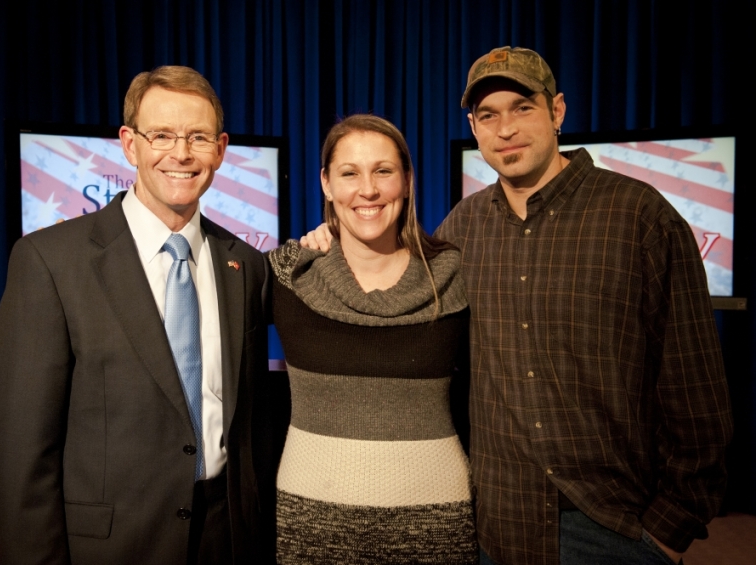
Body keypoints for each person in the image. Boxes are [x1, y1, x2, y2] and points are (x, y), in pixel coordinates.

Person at [303, 47, 733, 565]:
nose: (505, 128)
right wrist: (327, 238)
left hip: (610, 529)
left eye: (522, 107)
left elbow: (697, 394)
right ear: (474, 127)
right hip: (493, 527)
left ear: (557, 111)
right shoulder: (460, 230)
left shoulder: (641, 220)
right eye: (489, 115)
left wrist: (667, 530)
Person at [0, 66, 271, 565]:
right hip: (112, 545)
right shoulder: (50, 262)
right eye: (161, 134)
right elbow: (22, 455)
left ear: (221, 150)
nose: (180, 154)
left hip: (227, 539)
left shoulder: (244, 264)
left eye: (199, 137)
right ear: (129, 144)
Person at [269, 114, 477, 564]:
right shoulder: (288, 273)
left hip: (435, 526)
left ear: (406, 180)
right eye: (349, 173)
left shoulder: (454, 277)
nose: (368, 189)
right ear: (326, 183)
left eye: (383, 171)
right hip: (311, 526)